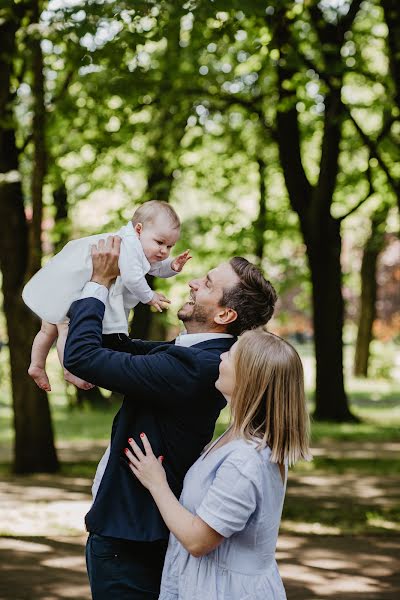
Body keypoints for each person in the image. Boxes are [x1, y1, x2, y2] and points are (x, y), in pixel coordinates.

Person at [62, 236, 278, 600]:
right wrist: (118, 282)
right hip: (131, 536)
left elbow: (83, 357)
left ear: (225, 315)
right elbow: (116, 347)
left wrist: (99, 283)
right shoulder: (194, 355)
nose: (193, 282)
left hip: (130, 541)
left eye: (208, 283)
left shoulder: (197, 366)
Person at [126, 329, 311, 600]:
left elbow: (198, 540)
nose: (221, 356)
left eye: (230, 355)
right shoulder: (234, 437)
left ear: (249, 378)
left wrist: (156, 482)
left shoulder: (245, 461)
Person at [22, 200, 191, 391]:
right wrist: (149, 296)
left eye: (169, 246)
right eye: (160, 242)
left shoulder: (138, 246)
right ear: (138, 229)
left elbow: (155, 268)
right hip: (74, 289)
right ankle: (70, 370)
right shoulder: (128, 246)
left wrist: (172, 267)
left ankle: (36, 364)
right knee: (66, 329)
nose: (164, 251)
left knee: (48, 328)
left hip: (66, 284)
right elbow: (132, 278)